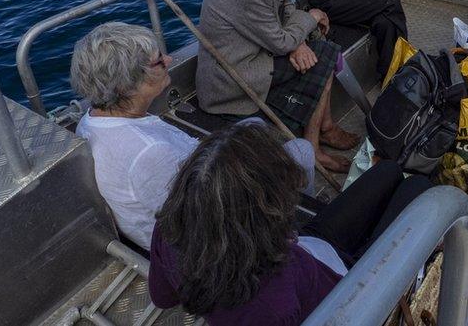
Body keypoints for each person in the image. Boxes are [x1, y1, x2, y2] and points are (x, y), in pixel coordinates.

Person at [149, 121, 433, 326]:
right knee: (419, 187)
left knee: (388, 170)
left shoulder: (170, 227)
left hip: (307, 249)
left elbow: (163, 297)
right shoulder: (270, 305)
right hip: (354, 287)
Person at [71, 22, 315, 249]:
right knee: (302, 150)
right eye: (158, 62)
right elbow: (202, 215)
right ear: (126, 86)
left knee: (254, 124)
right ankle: (296, 228)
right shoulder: (150, 152)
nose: (169, 59)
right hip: (203, 234)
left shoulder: (92, 120)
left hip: (199, 185)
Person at [196, 0, 359, 172]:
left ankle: (324, 129)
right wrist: (311, 18)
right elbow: (281, 41)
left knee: (320, 51)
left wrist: (298, 41)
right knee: (323, 58)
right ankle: (313, 148)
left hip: (255, 52)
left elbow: (283, 5)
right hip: (230, 81)